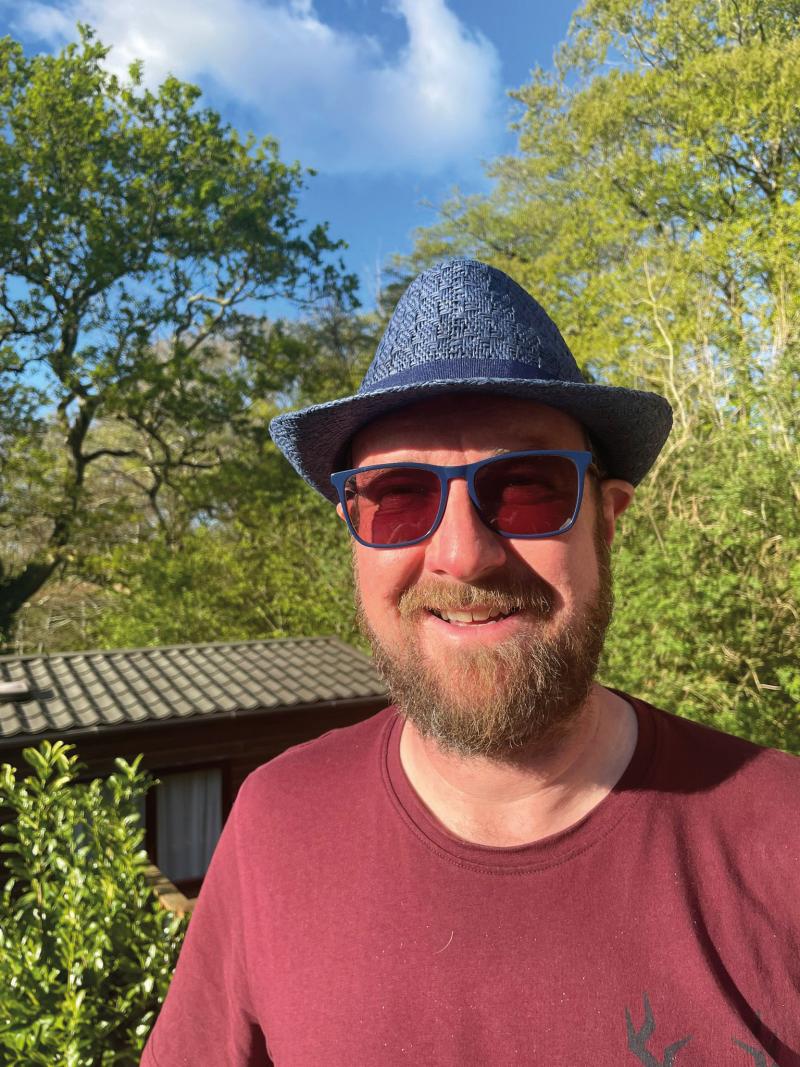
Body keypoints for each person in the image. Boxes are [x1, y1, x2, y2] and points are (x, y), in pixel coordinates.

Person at [141, 259, 800, 1067]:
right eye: (400, 499)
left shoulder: (784, 837)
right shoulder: (273, 828)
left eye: (527, 487)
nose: (462, 555)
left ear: (608, 521)